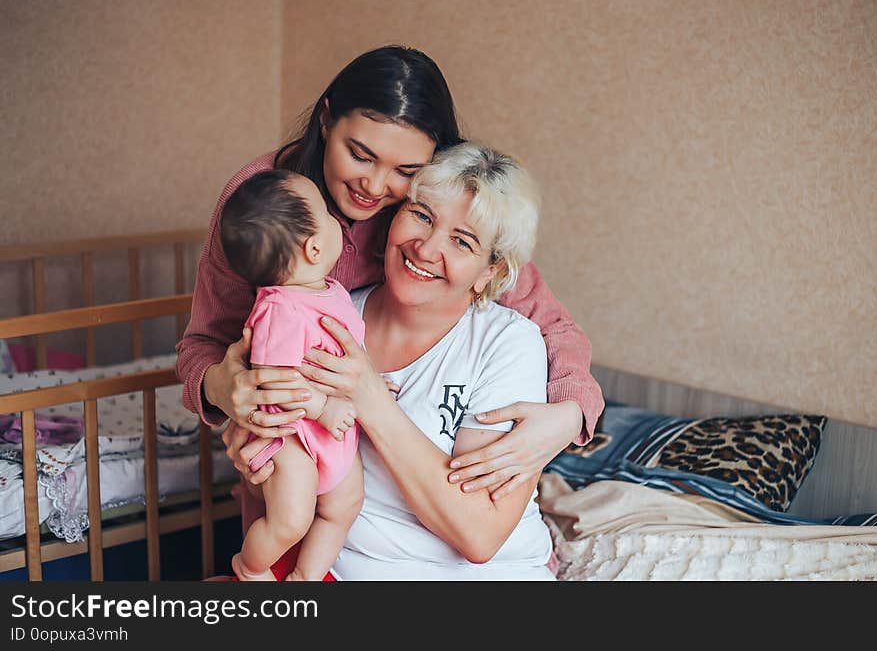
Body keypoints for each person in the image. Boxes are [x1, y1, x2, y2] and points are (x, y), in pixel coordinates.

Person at [176, 45, 603, 576]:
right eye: (359, 154)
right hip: (291, 485)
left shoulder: (440, 212)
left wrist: (571, 413)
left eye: (405, 171)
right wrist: (225, 390)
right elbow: (203, 345)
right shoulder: (264, 204)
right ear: (327, 118)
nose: (375, 187)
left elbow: (543, 317)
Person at [234, 142, 556, 578]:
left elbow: (479, 535)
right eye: (421, 215)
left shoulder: (508, 344)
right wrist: (253, 436)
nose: (425, 248)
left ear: (490, 273)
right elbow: (275, 412)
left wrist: (370, 399)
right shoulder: (333, 312)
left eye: (462, 241)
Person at [218, 170, 366, 581]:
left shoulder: (329, 290)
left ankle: (306, 578)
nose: (336, 218)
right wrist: (321, 406)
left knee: (345, 504)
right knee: (291, 520)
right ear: (315, 247)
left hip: (326, 426)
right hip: (289, 435)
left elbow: (343, 352)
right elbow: (271, 379)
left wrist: (365, 386)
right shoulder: (280, 309)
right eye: (324, 211)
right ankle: (249, 568)